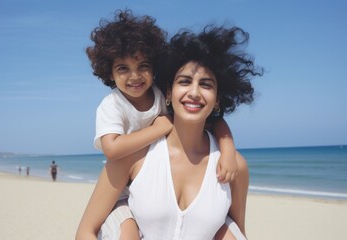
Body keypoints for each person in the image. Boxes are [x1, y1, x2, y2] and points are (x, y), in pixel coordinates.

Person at [76, 23, 262, 240]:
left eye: (206, 84)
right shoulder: (132, 155)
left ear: (218, 99)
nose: (194, 92)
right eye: (184, 82)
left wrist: (228, 147)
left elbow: (238, 232)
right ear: (168, 92)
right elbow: (85, 231)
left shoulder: (234, 166)